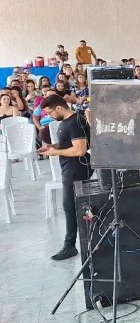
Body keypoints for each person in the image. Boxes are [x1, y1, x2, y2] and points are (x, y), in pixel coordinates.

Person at [38, 95, 91, 261]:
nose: (50, 116)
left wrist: (56, 152)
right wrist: (52, 147)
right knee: (70, 206)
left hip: (77, 169)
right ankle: (72, 244)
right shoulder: (65, 122)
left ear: (59, 108)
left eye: (50, 112)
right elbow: (67, 144)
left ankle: (70, 245)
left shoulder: (75, 122)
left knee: (71, 206)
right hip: (69, 167)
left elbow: (80, 150)